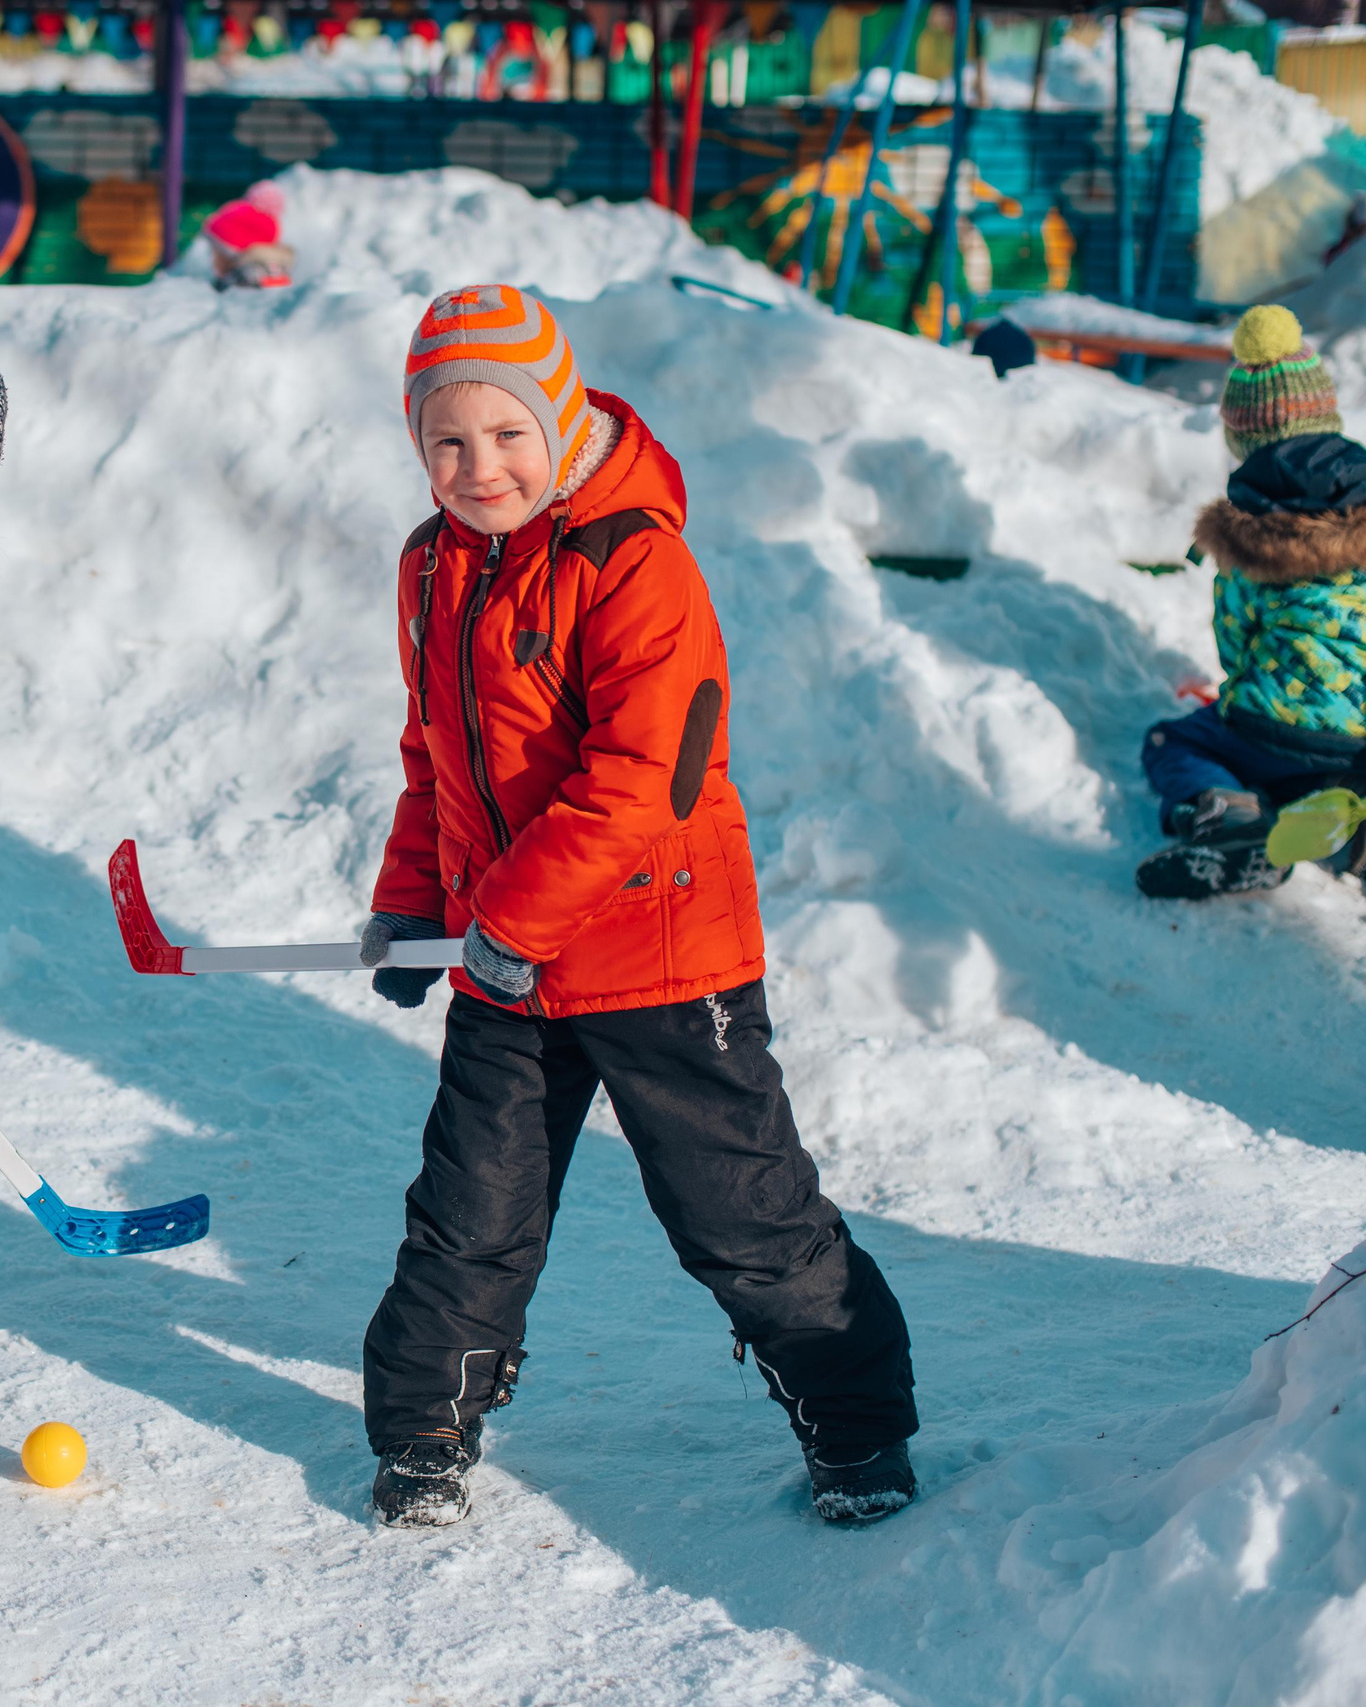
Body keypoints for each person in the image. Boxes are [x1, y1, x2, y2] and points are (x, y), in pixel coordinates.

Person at [355, 284, 919, 1529]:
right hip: (509, 962)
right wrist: (413, 904)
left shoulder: (633, 558)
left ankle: (860, 1430)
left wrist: (507, 915)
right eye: (445, 440)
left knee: (745, 1217)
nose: (477, 466)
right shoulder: (431, 564)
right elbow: (434, 755)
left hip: (661, 954)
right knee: (469, 1214)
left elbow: (644, 778)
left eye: (506, 433)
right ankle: (422, 1433)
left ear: (559, 418)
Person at [1135, 305, 1366, 902]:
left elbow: (1235, 646)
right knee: (1334, 763)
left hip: (1277, 731)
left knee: (1175, 740)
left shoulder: (1250, 527)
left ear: (1240, 437)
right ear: (1327, 414)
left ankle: (1228, 817)